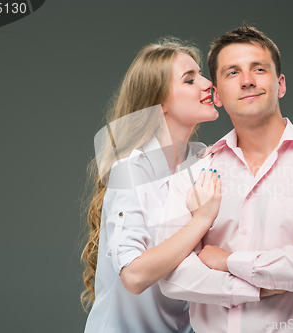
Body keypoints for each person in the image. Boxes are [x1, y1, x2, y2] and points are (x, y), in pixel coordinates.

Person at [156, 24, 293, 333]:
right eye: (233, 73)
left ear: (280, 84)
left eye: (259, 69)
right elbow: (171, 276)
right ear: (218, 95)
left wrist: (227, 261)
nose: (248, 81)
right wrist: (267, 282)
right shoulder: (193, 173)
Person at [80, 38, 222, 333]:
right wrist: (201, 220)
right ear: (160, 103)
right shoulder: (130, 172)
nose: (208, 83)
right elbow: (133, 276)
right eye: (190, 79)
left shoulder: (204, 160)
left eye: (201, 75)